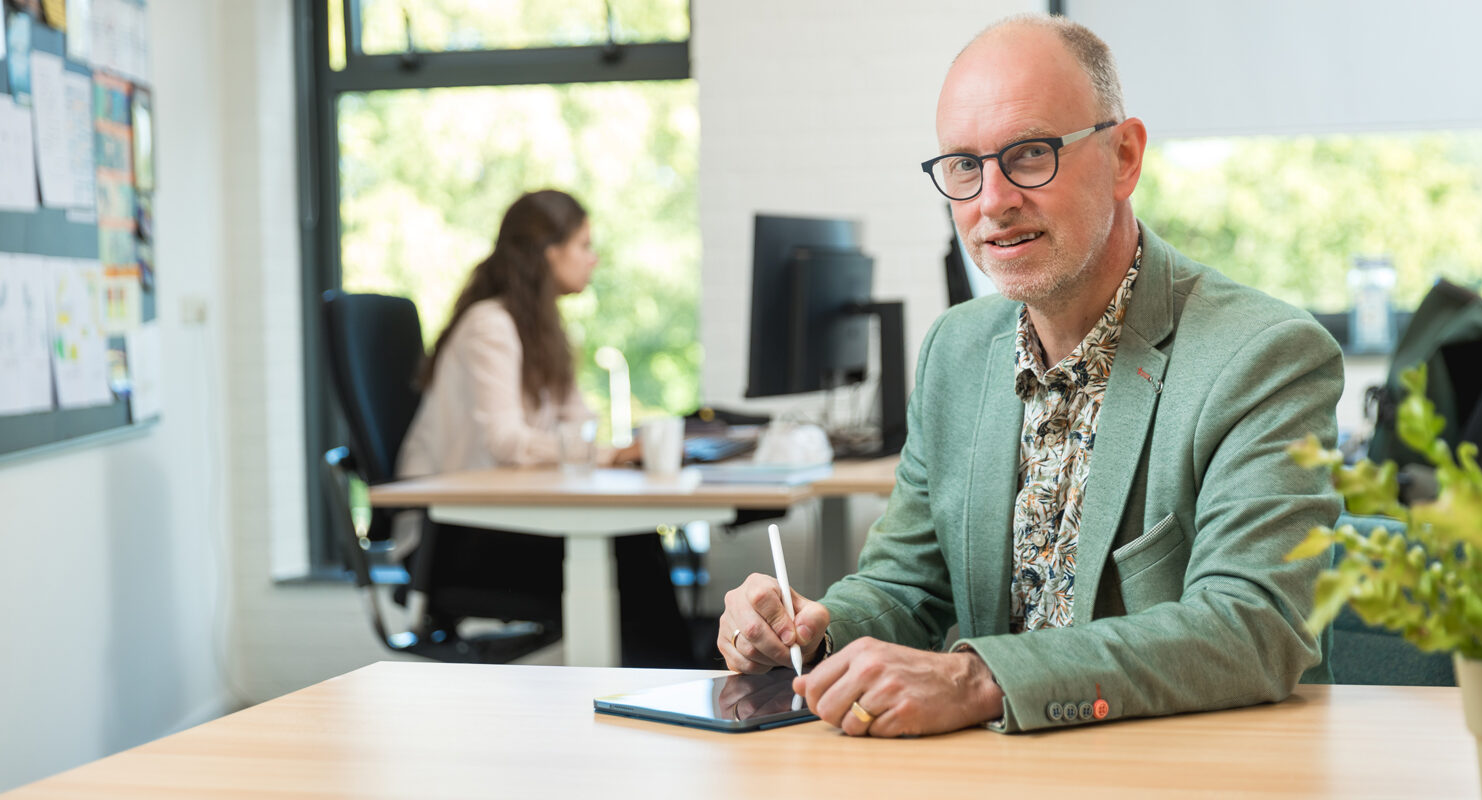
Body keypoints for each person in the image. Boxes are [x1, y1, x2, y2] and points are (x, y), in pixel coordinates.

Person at [718, 15, 1343, 735]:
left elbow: (1254, 626)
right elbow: (906, 583)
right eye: (964, 166)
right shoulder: (955, 351)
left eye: (1030, 154)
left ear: (1124, 158)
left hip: (1190, 767)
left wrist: (979, 680)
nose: (992, 201)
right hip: (998, 768)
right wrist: (816, 629)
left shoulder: (1265, 355)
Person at [396, 189, 694, 667]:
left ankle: (668, 682)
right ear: (549, 252)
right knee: (632, 550)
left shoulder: (542, 327)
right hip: (452, 540)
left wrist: (613, 449)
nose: (593, 259)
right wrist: (607, 454)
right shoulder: (490, 325)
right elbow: (507, 441)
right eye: (584, 245)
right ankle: (669, 685)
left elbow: (577, 423)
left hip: (498, 520)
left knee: (635, 539)